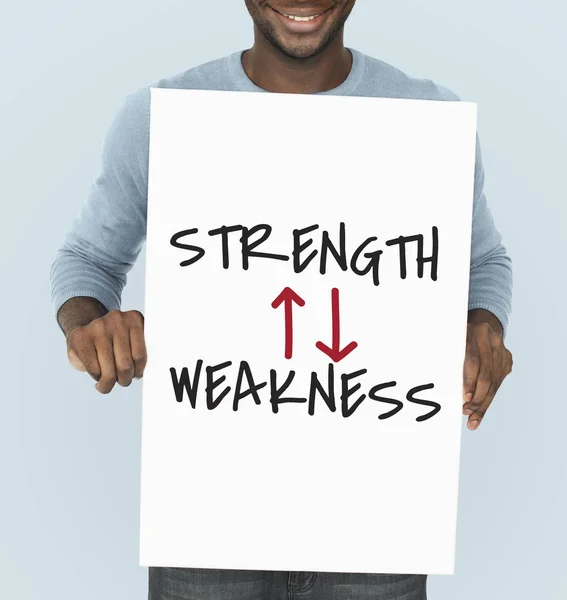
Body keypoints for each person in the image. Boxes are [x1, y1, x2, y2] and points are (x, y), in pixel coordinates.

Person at [49, 1, 514, 598]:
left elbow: (483, 262)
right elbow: (86, 262)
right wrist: (89, 325)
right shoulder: (159, 119)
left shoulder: (429, 119)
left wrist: (484, 325)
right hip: (209, 531)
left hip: (378, 522)